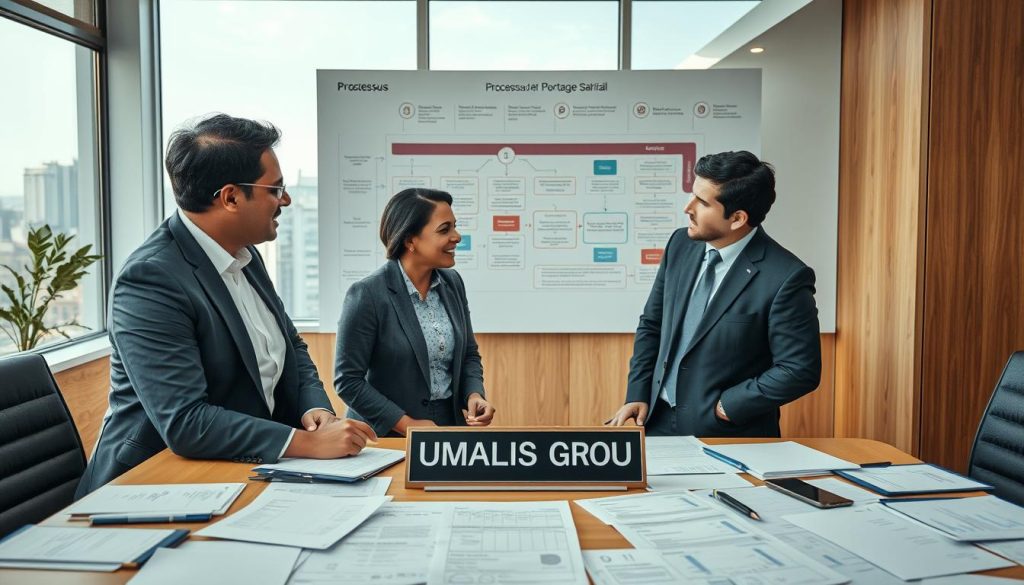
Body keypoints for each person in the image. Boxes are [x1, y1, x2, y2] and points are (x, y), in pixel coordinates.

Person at [76, 114, 375, 497]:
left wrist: (315, 411)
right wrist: (307, 444)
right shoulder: (150, 279)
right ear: (231, 197)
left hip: (243, 470)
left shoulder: (245, 254)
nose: (285, 200)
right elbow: (186, 421)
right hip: (154, 485)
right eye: (276, 189)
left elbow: (291, 347)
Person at [606, 150, 821, 437]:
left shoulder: (786, 277)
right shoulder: (680, 244)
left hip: (727, 433)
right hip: (655, 421)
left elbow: (799, 369)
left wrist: (726, 407)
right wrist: (638, 392)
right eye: (692, 194)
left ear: (737, 218)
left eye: (703, 202)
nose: (688, 207)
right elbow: (653, 324)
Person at [335, 188, 494, 438]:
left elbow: (468, 354)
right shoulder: (367, 294)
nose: (456, 237)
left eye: (454, 227)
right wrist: (408, 424)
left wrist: (474, 394)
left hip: (448, 427)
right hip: (386, 436)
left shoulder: (452, 283)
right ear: (410, 240)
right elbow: (348, 381)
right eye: (444, 229)